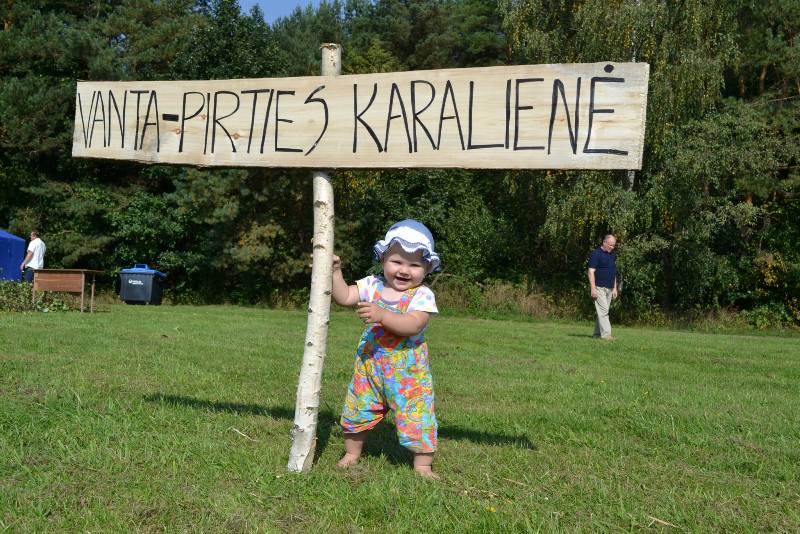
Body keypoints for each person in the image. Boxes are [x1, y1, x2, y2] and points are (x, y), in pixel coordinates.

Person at [332, 219, 441, 479]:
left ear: (427, 268)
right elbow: (344, 296)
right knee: (357, 410)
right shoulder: (372, 286)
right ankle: (352, 453)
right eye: (397, 261)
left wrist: (382, 315)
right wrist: (335, 272)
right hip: (370, 369)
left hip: (408, 376)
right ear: (383, 260)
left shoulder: (422, 295)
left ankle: (423, 465)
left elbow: (413, 325)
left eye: (415, 265)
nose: (404, 270)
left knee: (418, 417)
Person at [588, 234, 618, 340]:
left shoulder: (612, 255)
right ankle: (606, 335)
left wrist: (615, 288)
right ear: (604, 242)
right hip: (599, 288)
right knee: (604, 311)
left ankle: (597, 335)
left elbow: (613, 272)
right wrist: (593, 288)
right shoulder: (596, 254)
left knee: (602, 312)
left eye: (613, 245)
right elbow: (591, 271)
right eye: (610, 245)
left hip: (610, 288)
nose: (612, 247)